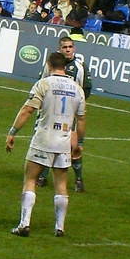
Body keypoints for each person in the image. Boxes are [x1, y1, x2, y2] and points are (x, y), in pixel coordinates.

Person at [6, 51, 86, 237]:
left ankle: (24, 224)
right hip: (64, 142)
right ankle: (60, 226)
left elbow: (27, 110)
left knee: (30, 179)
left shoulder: (43, 84)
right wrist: (79, 143)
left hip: (43, 139)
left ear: (49, 66)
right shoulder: (77, 89)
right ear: (65, 68)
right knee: (61, 185)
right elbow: (81, 120)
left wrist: (13, 132)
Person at [36, 36, 91, 191]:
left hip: (70, 114)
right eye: (65, 47)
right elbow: (41, 84)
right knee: (48, 140)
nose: (68, 49)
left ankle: (79, 180)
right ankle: (43, 176)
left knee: (73, 144)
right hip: (50, 111)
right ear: (59, 49)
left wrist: (76, 106)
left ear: (74, 48)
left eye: (70, 47)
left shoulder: (80, 67)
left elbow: (86, 89)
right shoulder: (51, 65)